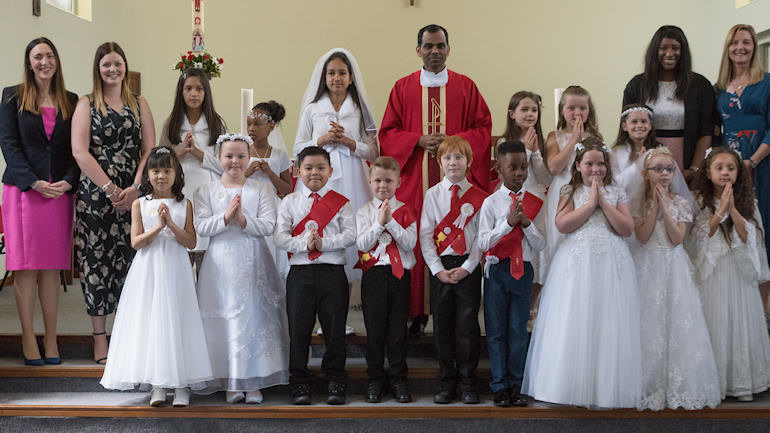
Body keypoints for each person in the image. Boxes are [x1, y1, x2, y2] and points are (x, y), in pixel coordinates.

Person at [379, 25, 492, 330]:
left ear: (448, 49)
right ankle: (417, 312)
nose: (434, 52)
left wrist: (451, 142)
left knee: (459, 235)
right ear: (418, 50)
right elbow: (387, 132)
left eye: (440, 46)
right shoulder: (403, 88)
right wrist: (416, 140)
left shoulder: (465, 87)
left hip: (456, 182)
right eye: (428, 46)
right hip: (418, 179)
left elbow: (483, 129)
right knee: (419, 238)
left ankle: (455, 312)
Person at [523, 138, 641, 409]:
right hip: (576, 261)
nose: (596, 169)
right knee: (575, 318)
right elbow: (562, 224)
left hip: (612, 263)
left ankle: (606, 386)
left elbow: (626, 228)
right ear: (578, 166)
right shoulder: (569, 190)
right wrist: (589, 205)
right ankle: (568, 384)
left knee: (608, 319)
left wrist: (603, 202)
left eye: (600, 164)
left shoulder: (616, 191)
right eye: (589, 164)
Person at [100, 146, 212, 408]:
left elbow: (191, 241)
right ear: (148, 175)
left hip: (176, 267)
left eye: (167, 170)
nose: (161, 176)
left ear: (176, 173)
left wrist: (171, 225)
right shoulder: (140, 204)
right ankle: (158, 384)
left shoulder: (185, 204)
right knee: (153, 320)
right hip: (149, 268)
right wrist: (158, 228)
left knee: (177, 317)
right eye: (155, 170)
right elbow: (137, 243)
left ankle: (181, 385)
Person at [71, 42, 155, 365]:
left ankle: (126, 334)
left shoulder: (139, 104)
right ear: (98, 68)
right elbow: (80, 151)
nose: (112, 69)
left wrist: (134, 187)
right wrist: (108, 187)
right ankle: (100, 339)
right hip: (95, 194)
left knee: (130, 260)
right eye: (106, 64)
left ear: (125, 66)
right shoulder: (86, 103)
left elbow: (149, 149)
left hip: (133, 193)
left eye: (117, 63)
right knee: (96, 261)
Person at [0, 37, 78, 365]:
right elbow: (8, 143)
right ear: (29, 62)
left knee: (51, 269)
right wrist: (33, 181)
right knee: (26, 268)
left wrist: (69, 181)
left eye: (49, 55)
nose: (44, 61)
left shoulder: (71, 101)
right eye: (37, 57)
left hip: (58, 193)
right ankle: (29, 337)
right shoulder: (12, 96)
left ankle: (51, 337)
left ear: (56, 61)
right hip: (23, 193)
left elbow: (79, 148)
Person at [194, 133, 289, 404]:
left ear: (249, 158)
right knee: (226, 317)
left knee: (254, 315)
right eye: (228, 156)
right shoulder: (206, 191)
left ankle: (253, 380)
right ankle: (231, 380)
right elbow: (201, 226)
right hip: (220, 260)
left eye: (240, 156)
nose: (235, 161)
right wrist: (225, 217)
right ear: (219, 158)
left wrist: (243, 219)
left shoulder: (261, 189)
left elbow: (269, 225)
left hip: (254, 257)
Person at [627, 147, 720, 411]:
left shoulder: (681, 201)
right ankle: (648, 384)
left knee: (677, 322)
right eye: (658, 169)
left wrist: (665, 207)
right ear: (646, 174)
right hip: (647, 264)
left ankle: (678, 387)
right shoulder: (636, 202)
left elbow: (677, 238)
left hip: (673, 264)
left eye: (669, 169)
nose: (665, 174)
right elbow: (642, 237)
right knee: (649, 323)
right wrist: (654, 206)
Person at [273, 146, 356, 406]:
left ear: (330, 171)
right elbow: (279, 236)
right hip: (300, 273)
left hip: (332, 272)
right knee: (299, 329)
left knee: (334, 330)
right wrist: (304, 244)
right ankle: (300, 382)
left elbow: (351, 235)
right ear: (298, 171)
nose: (315, 173)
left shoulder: (341, 202)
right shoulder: (290, 202)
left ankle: (335, 380)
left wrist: (324, 243)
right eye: (308, 168)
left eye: (321, 168)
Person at [686, 147, 770, 402]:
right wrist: (720, 210)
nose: (725, 173)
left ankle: (741, 382)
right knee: (716, 320)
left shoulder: (749, 201)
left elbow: (750, 238)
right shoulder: (698, 201)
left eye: (731, 168)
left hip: (737, 271)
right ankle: (715, 382)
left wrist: (733, 209)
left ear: (738, 173)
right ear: (708, 172)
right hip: (713, 272)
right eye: (719, 168)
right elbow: (699, 236)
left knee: (739, 320)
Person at [294, 48, 378, 285]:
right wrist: (321, 141)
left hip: (353, 174)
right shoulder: (313, 109)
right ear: (324, 77)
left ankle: (347, 299)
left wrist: (350, 143)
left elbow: (374, 150)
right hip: (320, 175)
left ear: (351, 78)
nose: (336, 78)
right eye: (331, 73)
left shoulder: (360, 110)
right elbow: (298, 147)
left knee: (351, 228)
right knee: (321, 228)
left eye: (342, 73)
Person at [476, 140, 545, 408]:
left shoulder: (534, 203)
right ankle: (499, 386)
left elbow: (540, 244)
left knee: (518, 329)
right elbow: (483, 243)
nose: (519, 172)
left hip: (523, 271)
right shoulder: (490, 203)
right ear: (498, 169)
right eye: (512, 167)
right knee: (495, 331)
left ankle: (517, 385)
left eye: (523, 167)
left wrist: (525, 223)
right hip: (497, 271)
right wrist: (507, 224)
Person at [420, 136, 488, 405]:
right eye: (447, 157)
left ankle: (468, 382)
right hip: (441, 269)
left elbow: (481, 238)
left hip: (467, 268)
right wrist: (438, 270)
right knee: (443, 327)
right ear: (439, 162)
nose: (453, 162)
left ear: (469, 162)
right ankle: (447, 381)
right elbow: (426, 236)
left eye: (459, 157)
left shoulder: (479, 197)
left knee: (467, 326)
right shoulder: (432, 195)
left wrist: (469, 267)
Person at [714, 24, 770, 324]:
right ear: (728, 48)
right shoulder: (719, 88)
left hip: (762, 166)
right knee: (736, 230)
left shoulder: (767, 83)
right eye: (735, 42)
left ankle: (764, 312)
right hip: (730, 169)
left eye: (747, 43)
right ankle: (742, 310)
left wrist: (752, 161)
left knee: (764, 232)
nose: (741, 48)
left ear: (754, 47)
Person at [355, 156, 417, 404]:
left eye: (389, 181)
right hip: (374, 276)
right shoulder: (364, 212)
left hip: (400, 275)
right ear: (370, 182)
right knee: (375, 330)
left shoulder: (406, 210)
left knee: (397, 331)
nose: (383, 186)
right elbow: (361, 244)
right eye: (378, 180)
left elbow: (410, 243)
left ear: (398, 182)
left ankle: (398, 379)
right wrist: (378, 224)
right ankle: (374, 380)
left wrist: (391, 221)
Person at [622, 25, 713, 180]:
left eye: (676, 48)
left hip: (688, 160)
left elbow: (706, 131)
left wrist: (694, 169)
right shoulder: (637, 85)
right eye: (663, 48)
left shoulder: (700, 85)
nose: (669, 53)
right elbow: (627, 130)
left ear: (683, 51)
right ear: (654, 51)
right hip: (647, 163)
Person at [158, 67, 226, 262]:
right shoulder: (171, 123)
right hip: (179, 190)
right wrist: (179, 153)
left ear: (206, 92)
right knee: (182, 250)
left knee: (206, 252)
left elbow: (225, 166)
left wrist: (197, 152)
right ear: (181, 92)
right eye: (188, 88)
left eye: (199, 89)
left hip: (207, 191)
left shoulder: (216, 124)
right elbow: (159, 163)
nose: (194, 94)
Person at [542, 85, 601, 275]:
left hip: (586, 193)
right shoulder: (554, 136)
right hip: (562, 192)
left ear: (589, 110)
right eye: (571, 108)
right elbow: (554, 167)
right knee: (559, 240)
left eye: (583, 108)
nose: (577, 113)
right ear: (562, 110)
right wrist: (574, 139)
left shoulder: (595, 137)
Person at [245, 101, 293, 281]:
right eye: (249, 124)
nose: (252, 128)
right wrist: (246, 174)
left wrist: (270, 174)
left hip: (271, 206)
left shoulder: (279, 154)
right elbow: (231, 181)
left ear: (271, 127)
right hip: (248, 206)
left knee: (272, 253)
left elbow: (287, 189)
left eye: (257, 124)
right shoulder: (242, 151)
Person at [611, 104, 657, 190]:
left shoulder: (657, 151)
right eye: (634, 122)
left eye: (643, 121)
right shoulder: (615, 153)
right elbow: (615, 184)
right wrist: (638, 164)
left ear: (650, 125)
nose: (639, 125)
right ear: (625, 126)